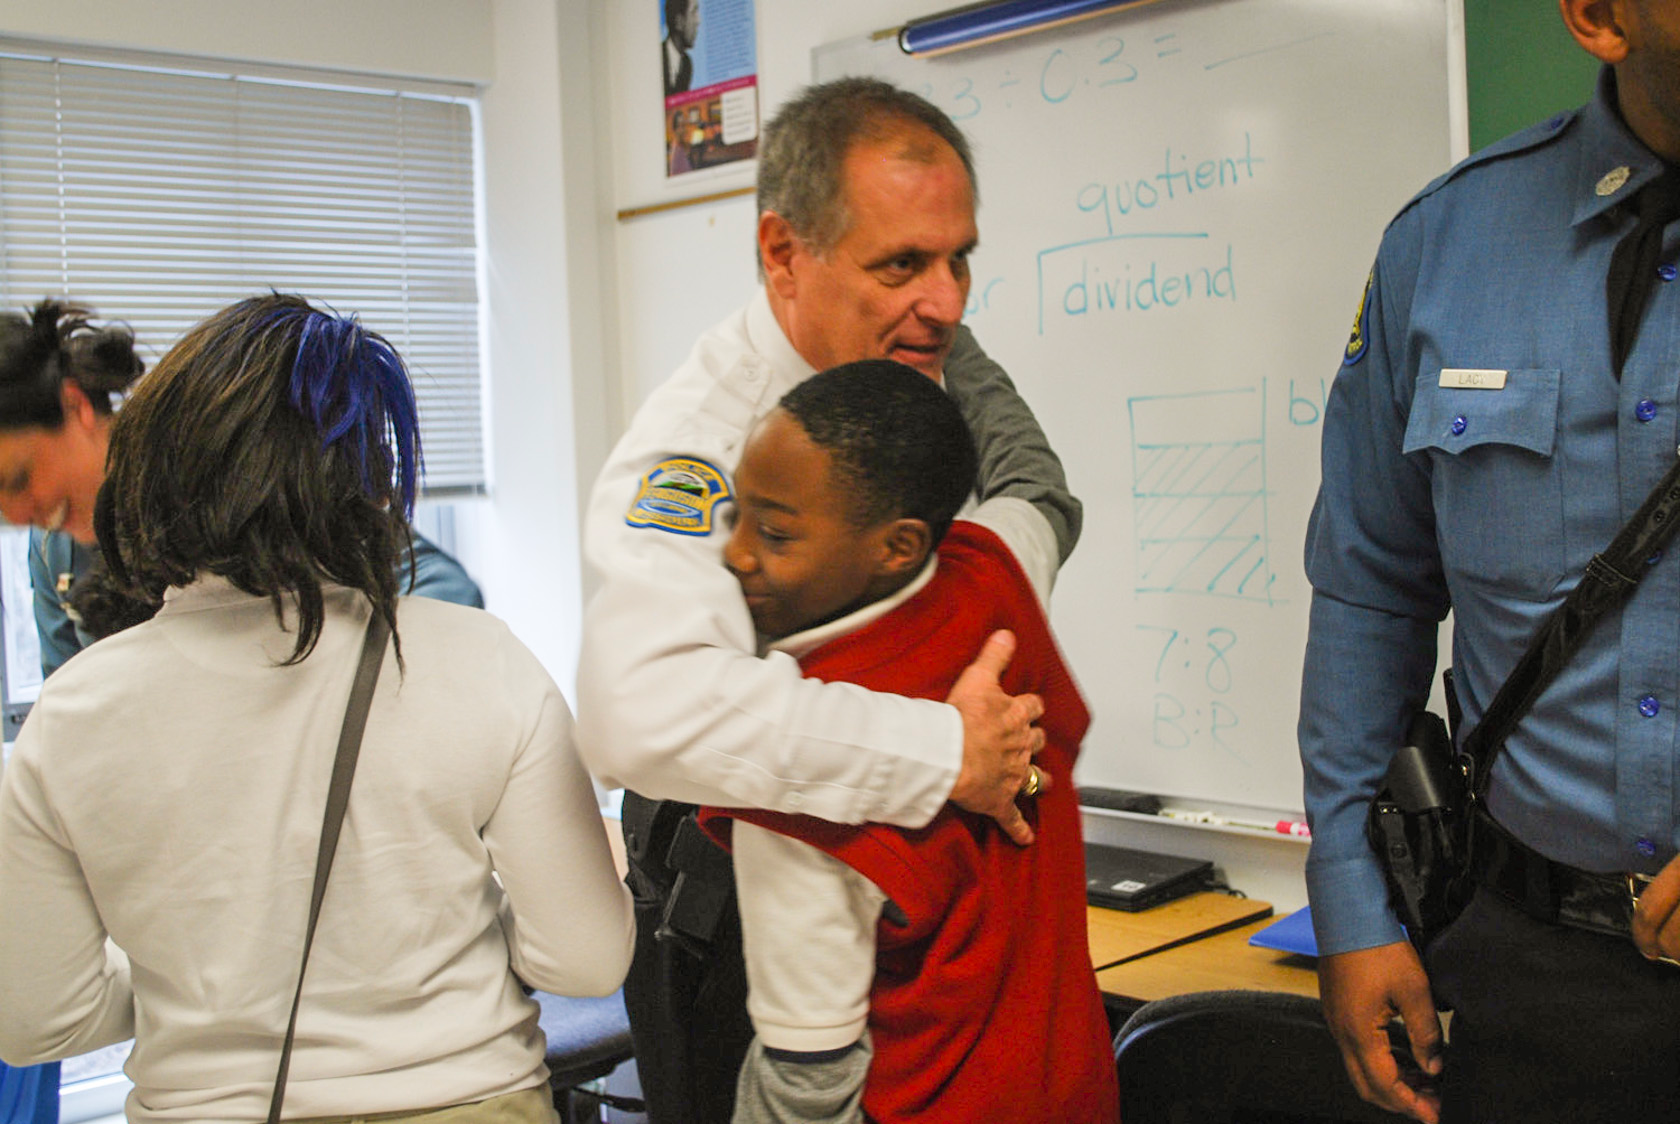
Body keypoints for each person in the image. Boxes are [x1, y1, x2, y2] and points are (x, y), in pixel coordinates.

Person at [575, 77, 1081, 1124]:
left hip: (929, 911)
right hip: (750, 937)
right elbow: (639, 712)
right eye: (901, 262)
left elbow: (1032, 503)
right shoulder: (702, 449)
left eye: (959, 260)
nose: (945, 298)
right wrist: (945, 752)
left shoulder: (896, 357)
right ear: (783, 253)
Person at [0, 294, 635, 1124]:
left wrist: (199, 978)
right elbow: (587, 961)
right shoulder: (482, 659)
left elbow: (41, 1018)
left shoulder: (69, 714)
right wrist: (432, 942)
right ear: (365, 479)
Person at [1299, 3, 1680, 1123]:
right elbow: (1371, 586)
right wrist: (1352, 899)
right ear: (1599, 15)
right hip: (1535, 977)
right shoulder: (1446, 243)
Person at [698, 361, 1117, 1124]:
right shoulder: (992, 574)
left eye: (777, 531)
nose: (737, 555)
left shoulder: (789, 774)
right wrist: (953, 341)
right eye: (738, 516)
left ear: (898, 544)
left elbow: (807, 1083)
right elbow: (1037, 486)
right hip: (1071, 1094)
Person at [0, 299, 483, 679]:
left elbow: (445, 590)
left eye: (17, 479)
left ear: (75, 405)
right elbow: (66, 703)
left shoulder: (217, 483)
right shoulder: (51, 555)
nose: (17, 512)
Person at [662, 0, 698, 97]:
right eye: (693, 12)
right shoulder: (657, 57)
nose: (698, 21)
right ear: (679, 22)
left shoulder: (687, 64)